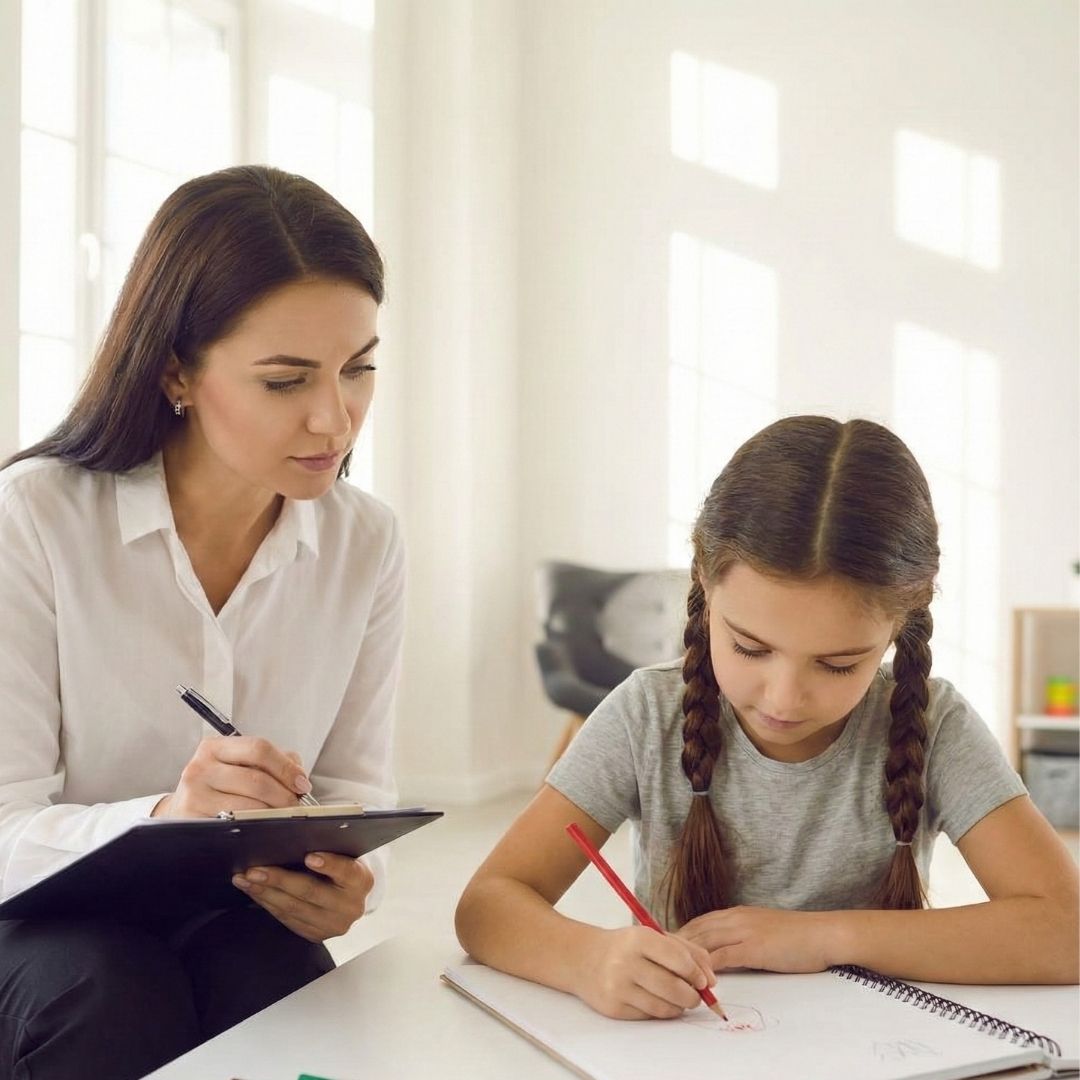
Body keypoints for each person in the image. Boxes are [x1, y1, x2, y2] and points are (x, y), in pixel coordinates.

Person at [456, 416, 1080, 1021]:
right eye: (751, 649)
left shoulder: (933, 722)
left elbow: (1065, 931)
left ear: (902, 621)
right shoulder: (646, 714)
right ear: (703, 578)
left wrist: (822, 937)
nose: (784, 700)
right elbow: (488, 905)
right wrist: (586, 958)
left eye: (837, 664)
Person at [0, 165, 404, 1079]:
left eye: (359, 367)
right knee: (107, 986)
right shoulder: (33, 518)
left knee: (284, 974)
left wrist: (353, 886)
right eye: (284, 380)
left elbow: (358, 796)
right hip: (33, 923)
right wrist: (167, 820)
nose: (334, 417)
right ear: (175, 369)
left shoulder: (364, 541)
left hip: (230, 911)